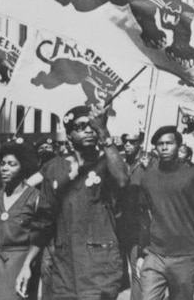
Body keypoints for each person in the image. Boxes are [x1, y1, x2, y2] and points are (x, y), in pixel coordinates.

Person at [40, 105, 129, 300]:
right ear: (69, 134)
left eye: (92, 126)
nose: (89, 130)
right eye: (80, 127)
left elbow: (122, 179)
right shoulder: (55, 168)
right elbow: (45, 218)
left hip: (99, 264)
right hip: (65, 267)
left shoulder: (106, 162)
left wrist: (104, 132)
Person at [136, 126, 194, 300]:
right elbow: (144, 216)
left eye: (169, 143)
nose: (165, 147)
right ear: (155, 148)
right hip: (155, 255)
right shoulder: (148, 177)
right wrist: (141, 254)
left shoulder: (193, 173)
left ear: (179, 145)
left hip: (184, 256)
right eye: (160, 144)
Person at [0, 138, 47, 300]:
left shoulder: (35, 198)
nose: (5, 168)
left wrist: (28, 265)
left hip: (23, 267)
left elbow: (41, 237)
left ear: (24, 168)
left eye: (12, 164)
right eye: (3, 163)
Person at [117, 130, 151, 300]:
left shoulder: (148, 164)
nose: (128, 144)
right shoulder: (121, 164)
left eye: (132, 141)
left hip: (139, 226)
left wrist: (149, 169)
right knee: (117, 270)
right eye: (126, 141)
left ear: (140, 144)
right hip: (119, 224)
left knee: (137, 268)